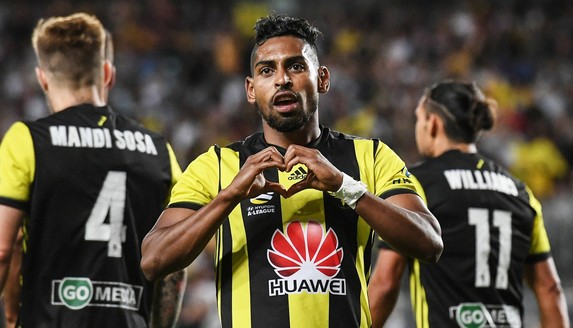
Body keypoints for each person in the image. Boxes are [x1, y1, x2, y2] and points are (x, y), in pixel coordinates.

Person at [140, 13, 443, 328]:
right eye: (267, 70)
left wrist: (345, 187)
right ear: (251, 89)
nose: (281, 79)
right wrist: (229, 196)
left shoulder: (371, 156)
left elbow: (429, 243)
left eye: (296, 66)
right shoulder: (216, 165)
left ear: (322, 79)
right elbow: (153, 260)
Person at [0, 13, 185, 327]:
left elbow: (5, 247)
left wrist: (12, 312)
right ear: (108, 73)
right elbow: (174, 261)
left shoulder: (27, 141)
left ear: (42, 77)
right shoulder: (159, 150)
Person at [368, 81, 570, 328]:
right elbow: (549, 288)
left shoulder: (417, 184)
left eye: (419, 118)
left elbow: (386, 282)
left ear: (432, 123)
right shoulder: (520, 193)